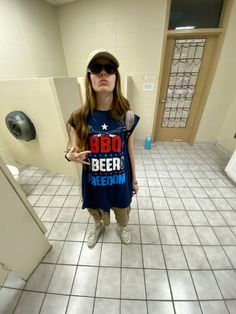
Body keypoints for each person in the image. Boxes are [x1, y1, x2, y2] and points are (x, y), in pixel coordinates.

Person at [65, 49, 140, 248]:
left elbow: (130, 151)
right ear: (89, 78)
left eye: (110, 68)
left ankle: (123, 227)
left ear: (116, 77)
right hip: (93, 182)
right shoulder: (79, 116)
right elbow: (75, 150)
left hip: (120, 181)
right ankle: (98, 226)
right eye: (96, 68)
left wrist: (134, 180)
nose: (103, 73)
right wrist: (69, 157)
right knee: (95, 211)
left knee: (123, 210)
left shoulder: (128, 116)